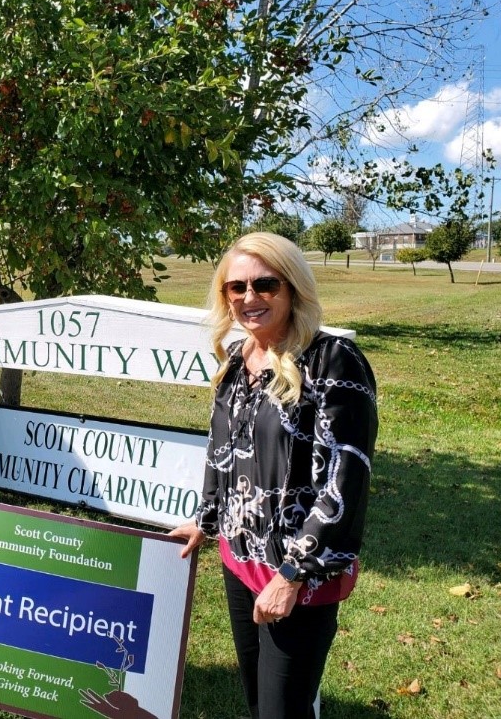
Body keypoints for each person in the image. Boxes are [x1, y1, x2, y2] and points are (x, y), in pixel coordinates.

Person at [169, 232, 377, 719]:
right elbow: (223, 453)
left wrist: (293, 574)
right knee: (259, 702)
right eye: (236, 287)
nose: (249, 297)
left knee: (283, 710)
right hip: (240, 562)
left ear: (293, 288)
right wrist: (206, 519)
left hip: (296, 575)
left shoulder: (333, 360)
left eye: (265, 284)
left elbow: (345, 478)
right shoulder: (236, 360)